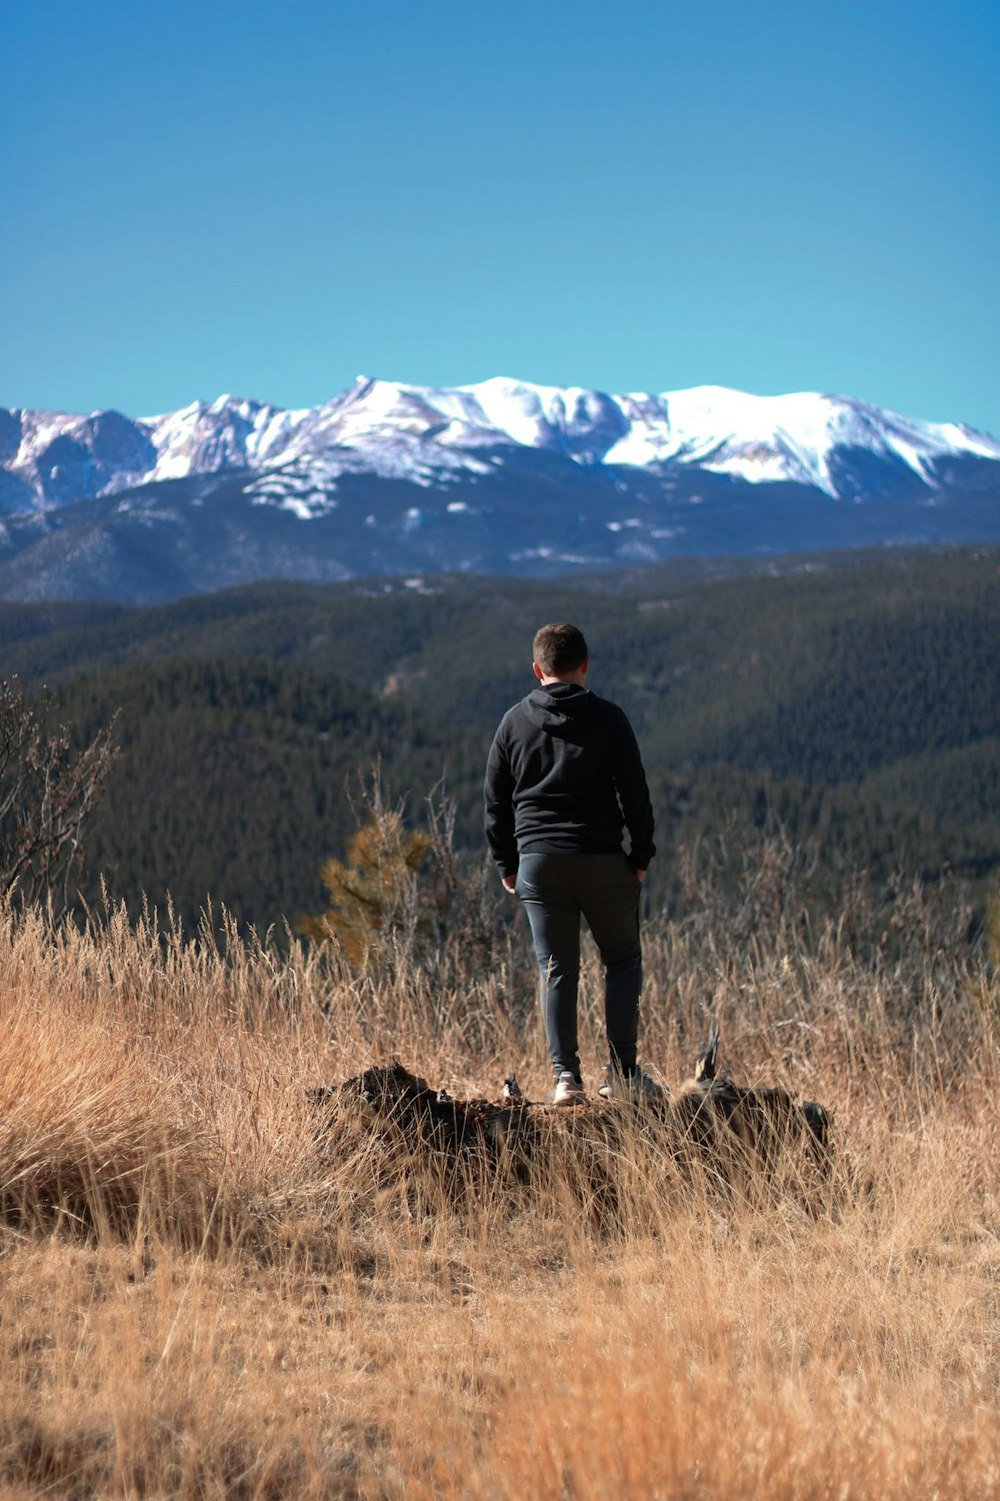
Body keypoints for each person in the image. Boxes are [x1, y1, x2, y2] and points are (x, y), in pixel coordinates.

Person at [484, 622, 662, 1105]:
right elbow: (636, 795)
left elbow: (495, 803)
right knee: (621, 961)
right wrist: (640, 857)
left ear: (537, 669)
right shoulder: (610, 719)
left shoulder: (512, 724)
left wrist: (507, 863)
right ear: (585, 665)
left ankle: (566, 1079)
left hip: (540, 863)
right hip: (604, 860)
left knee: (557, 967)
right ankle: (623, 1072)